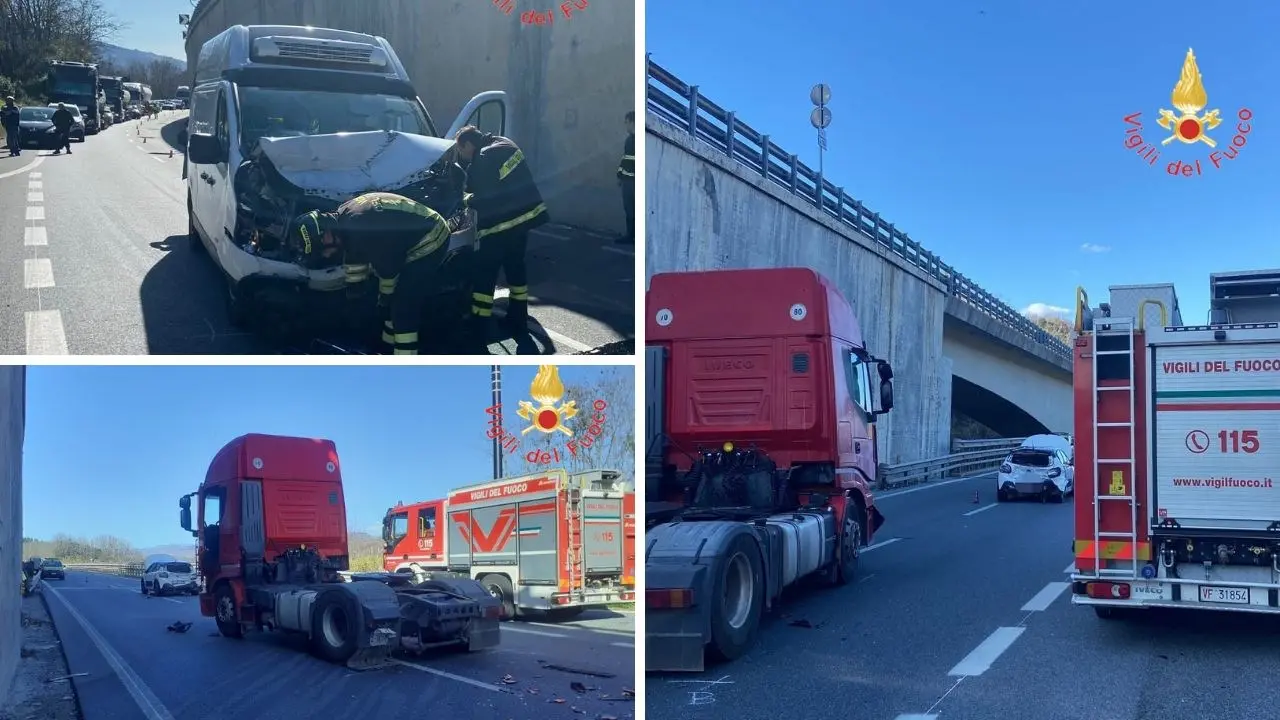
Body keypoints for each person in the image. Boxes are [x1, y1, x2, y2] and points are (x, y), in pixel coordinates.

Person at [287, 192, 451, 355]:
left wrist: (384, 301)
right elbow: (354, 256)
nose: (325, 255)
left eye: (321, 250)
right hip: (408, 236)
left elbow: (389, 272)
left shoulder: (360, 227)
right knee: (389, 307)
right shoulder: (345, 220)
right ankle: (386, 347)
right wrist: (355, 292)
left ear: (326, 235)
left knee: (402, 307)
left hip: (430, 238)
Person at [453, 126, 547, 351]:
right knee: (516, 271)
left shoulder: (482, 158)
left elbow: (482, 197)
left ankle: (478, 330)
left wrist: (463, 199)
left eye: (461, 150)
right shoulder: (504, 143)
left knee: (484, 277)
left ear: (468, 144)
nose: (462, 156)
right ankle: (518, 319)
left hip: (498, 227)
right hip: (523, 220)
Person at [617, 111, 635, 245]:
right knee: (629, 209)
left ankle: (633, 236)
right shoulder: (629, 140)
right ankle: (630, 236)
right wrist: (620, 175)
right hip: (627, 181)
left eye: (627, 122)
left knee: (634, 209)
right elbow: (625, 159)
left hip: (634, 182)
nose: (626, 125)